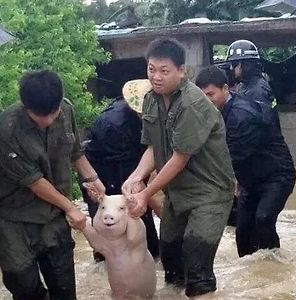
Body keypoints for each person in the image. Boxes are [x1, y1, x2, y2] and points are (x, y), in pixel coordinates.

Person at [122, 38, 235, 297]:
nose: (156, 77)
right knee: (171, 263)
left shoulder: (192, 104)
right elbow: (153, 147)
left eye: (164, 71)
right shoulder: (151, 99)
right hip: (177, 192)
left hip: (210, 194)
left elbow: (179, 158)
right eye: (151, 69)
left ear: (182, 71)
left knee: (197, 266)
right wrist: (136, 176)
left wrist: (145, 194)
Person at [0, 70, 105, 300]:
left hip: (54, 213)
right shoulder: (7, 128)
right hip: (14, 216)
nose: (48, 120)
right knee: (23, 283)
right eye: (39, 116)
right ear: (26, 106)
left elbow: (75, 152)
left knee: (63, 284)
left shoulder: (65, 109)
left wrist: (93, 179)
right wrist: (70, 208)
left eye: (52, 113)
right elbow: (34, 181)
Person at [212, 39, 296, 257]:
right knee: (244, 231)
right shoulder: (248, 88)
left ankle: (275, 267)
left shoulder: (256, 92)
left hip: (273, 171)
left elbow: (245, 143)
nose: (232, 70)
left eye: (233, 65)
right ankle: (255, 277)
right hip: (253, 174)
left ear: (243, 65)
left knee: (264, 219)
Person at [80, 79, 159, 261]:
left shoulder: (141, 119)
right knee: (111, 223)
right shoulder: (116, 124)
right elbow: (131, 177)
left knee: (139, 222)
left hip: (125, 166)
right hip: (100, 175)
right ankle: (105, 268)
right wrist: (146, 196)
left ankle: (152, 259)